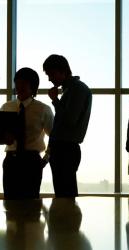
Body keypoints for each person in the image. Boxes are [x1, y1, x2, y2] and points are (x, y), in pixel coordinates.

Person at [42, 54, 92, 197]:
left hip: (65, 149)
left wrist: (55, 100)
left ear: (62, 71)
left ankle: (66, 219)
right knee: (64, 193)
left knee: (65, 194)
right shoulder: (72, 89)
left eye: (51, 74)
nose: (50, 79)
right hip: (64, 148)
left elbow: (70, 120)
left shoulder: (76, 89)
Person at [0, 67, 53, 200]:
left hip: (32, 161)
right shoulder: (6, 107)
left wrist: (46, 159)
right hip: (11, 160)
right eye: (17, 82)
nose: (19, 86)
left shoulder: (43, 109)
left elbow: (54, 136)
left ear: (33, 86)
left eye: (24, 83)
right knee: (10, 204)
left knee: (31, 205)